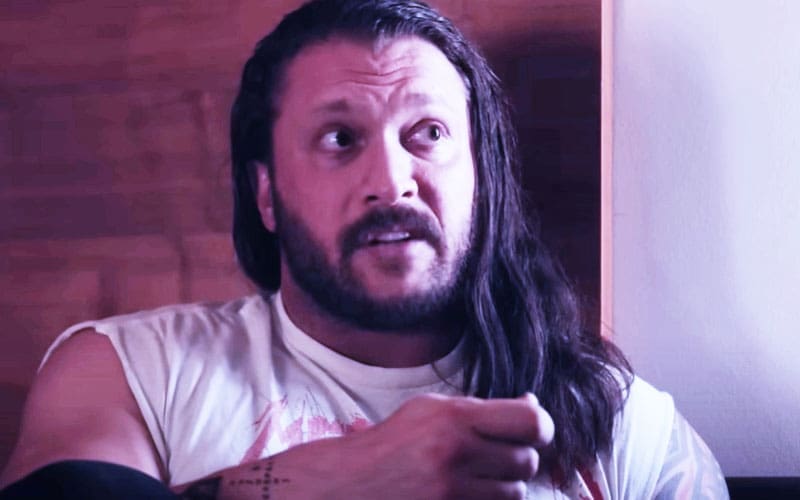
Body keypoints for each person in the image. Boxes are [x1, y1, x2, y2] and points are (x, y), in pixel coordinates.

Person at [0, 0, 729, 498]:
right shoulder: (130, 375)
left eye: (428, 134)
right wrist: (325, 483)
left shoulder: (624, 428)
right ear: (266, 194)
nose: (391, 181)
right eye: (340, 138)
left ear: (482, 178)